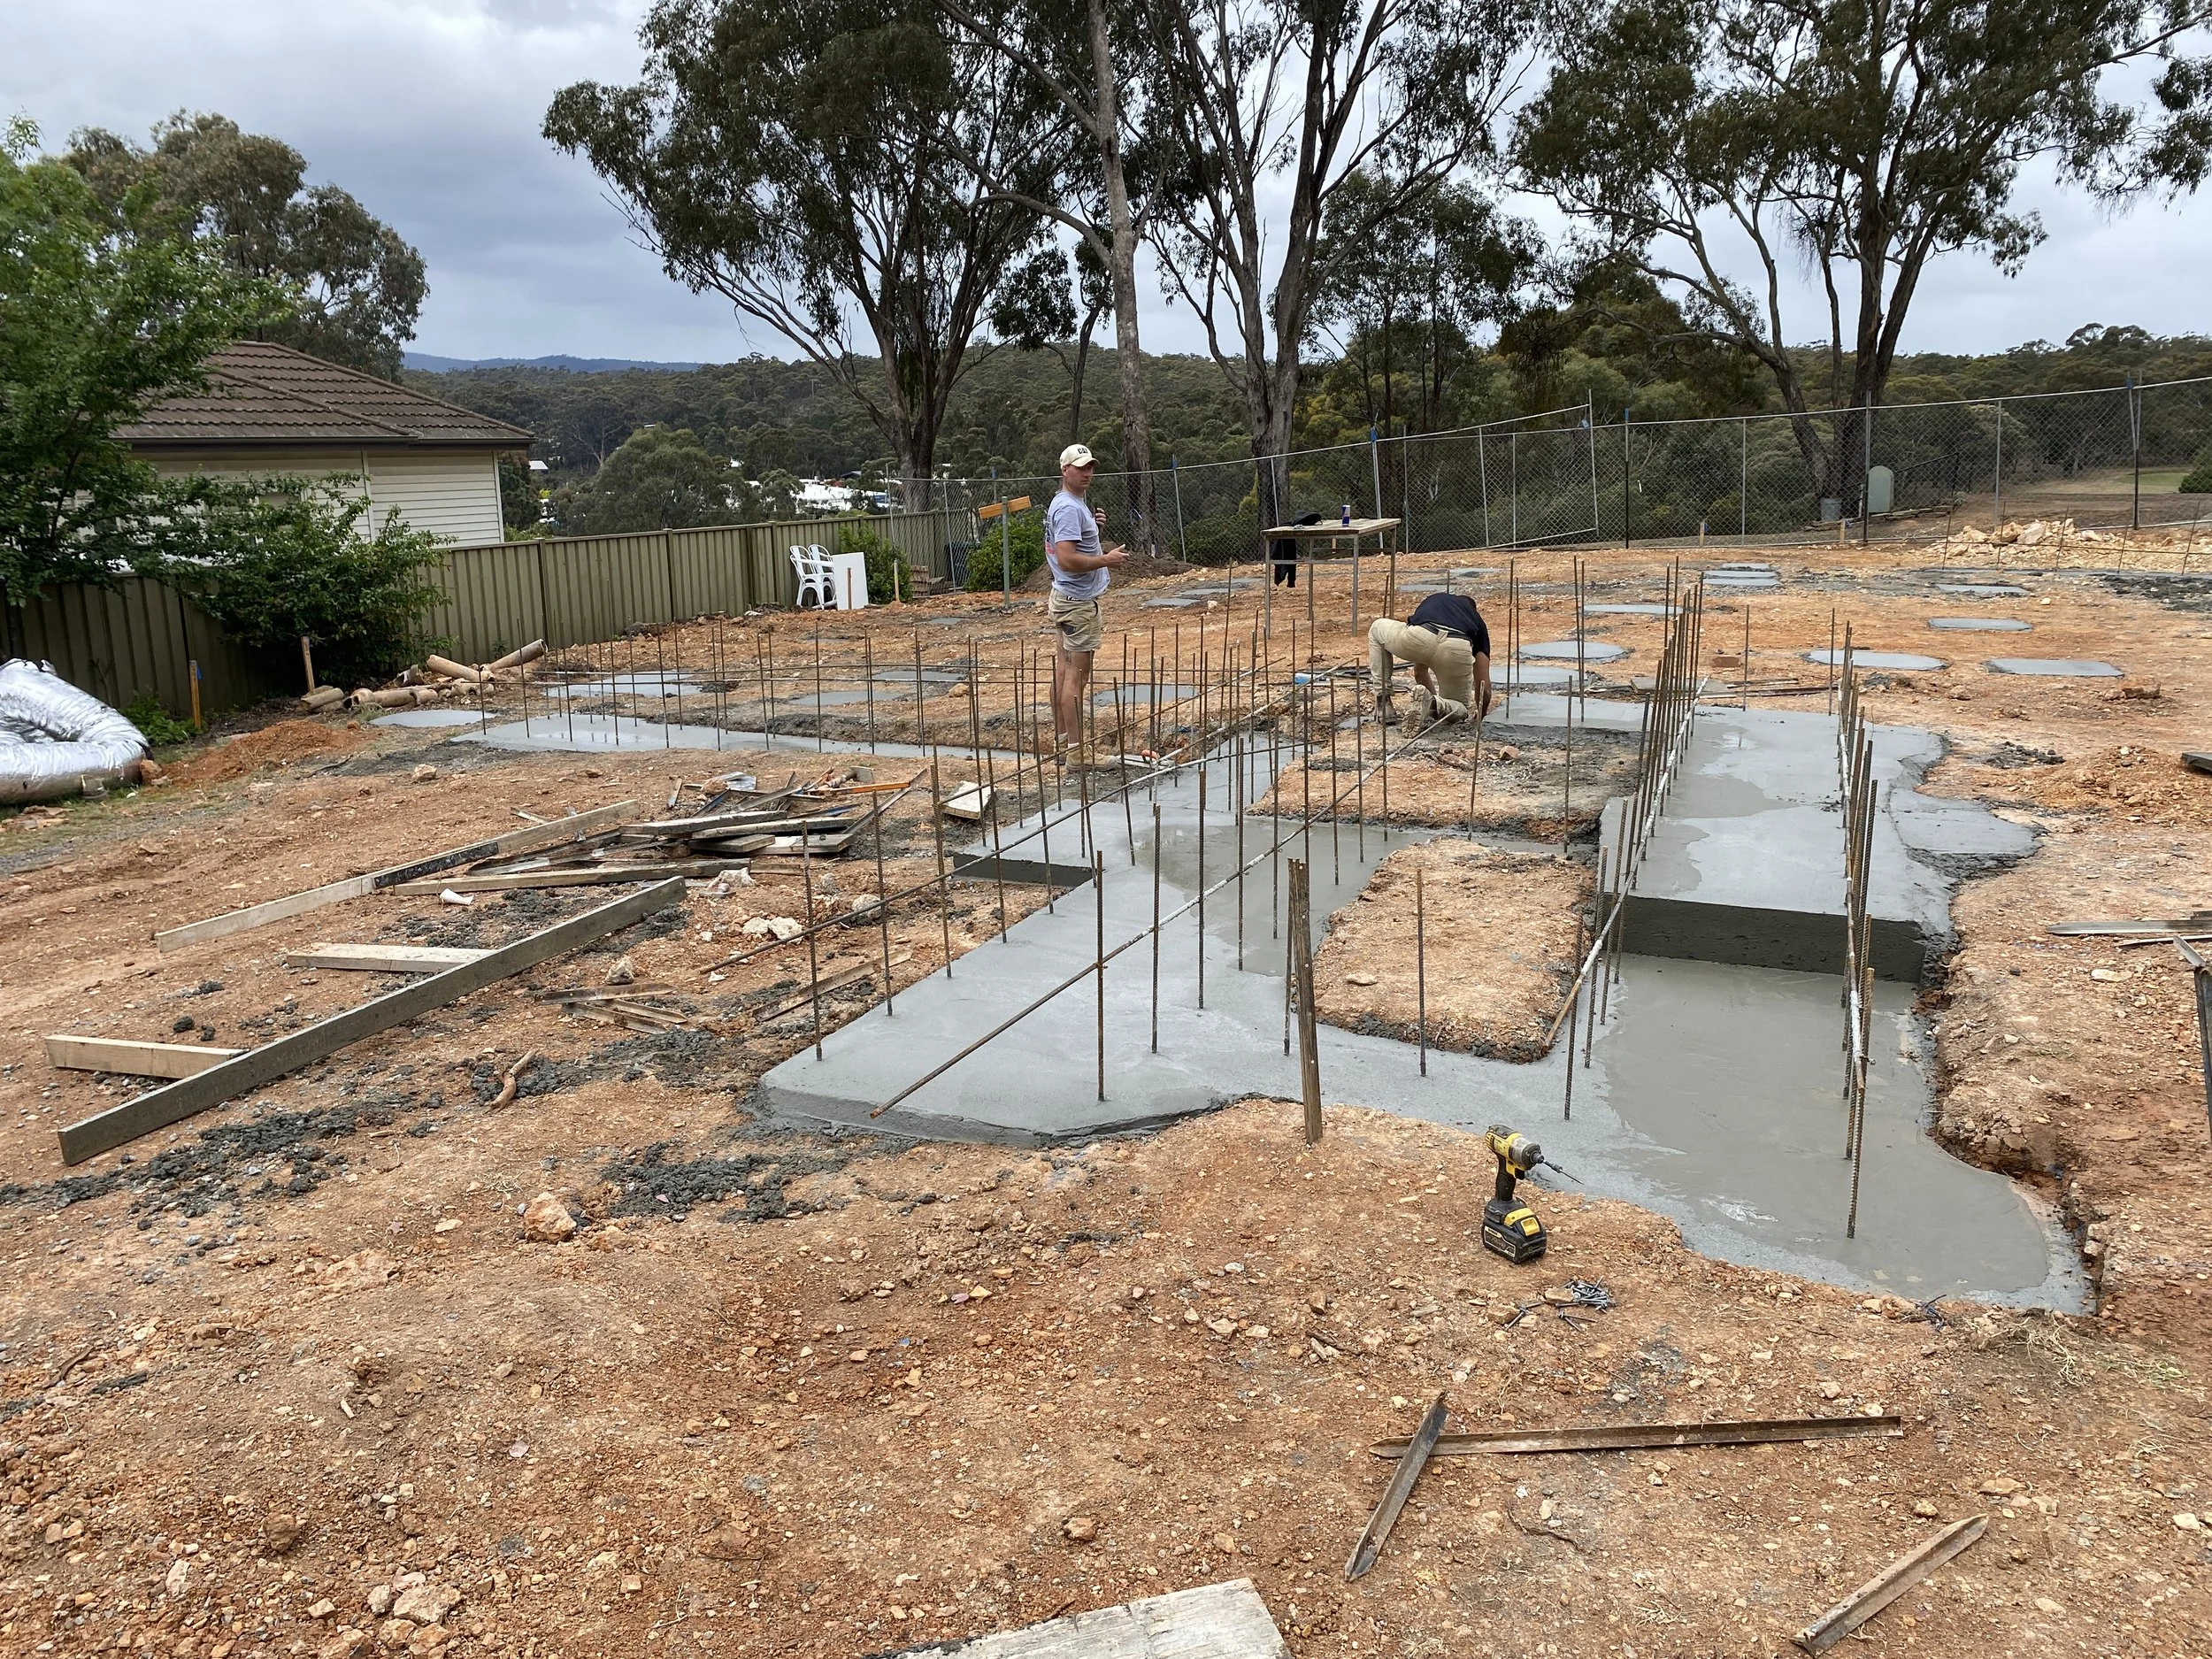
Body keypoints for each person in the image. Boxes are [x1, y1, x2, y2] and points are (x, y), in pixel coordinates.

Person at [1043, 442, 1127, 762]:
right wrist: (1107, 559)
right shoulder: (1067, 508)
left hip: (1066, 597)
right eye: (1080, 467)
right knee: (1074, 678)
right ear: (1065, 470)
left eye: (1090, 466)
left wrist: (1093, 528)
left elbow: (1071, 545)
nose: (1087, 473)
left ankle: (1064, 744)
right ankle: (1079, 753)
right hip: (1077, 602)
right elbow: (1066, 559)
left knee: (1063, 673)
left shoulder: (1068, 505)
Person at [1369, 590, 1493, 724]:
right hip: (1457, 647)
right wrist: (1482, 713)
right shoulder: (1477, 621)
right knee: (1460, 708)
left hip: (1421, 635)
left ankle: (1384, 703)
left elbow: (1419, 672)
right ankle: (1435, 704)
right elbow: (1483, 684)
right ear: (1472, 608)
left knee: (1376, 629)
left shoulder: (1435, 600)